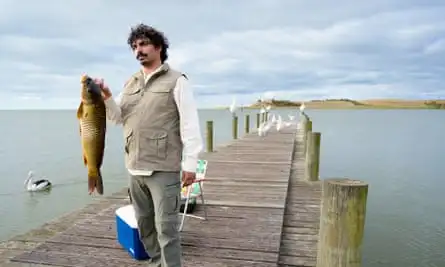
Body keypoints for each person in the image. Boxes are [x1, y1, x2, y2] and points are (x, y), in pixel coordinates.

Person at [92, 23, 203, 267]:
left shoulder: (177, 80)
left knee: (167, 230)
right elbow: (117, 116)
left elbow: (190, 125)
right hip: (134, 167)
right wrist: (107, 96)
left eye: (143, 44)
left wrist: (191, 164)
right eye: (134, 46)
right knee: (144, 226)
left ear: (159, 47)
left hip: (164, 169)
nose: (137, 51)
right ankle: (156, 263)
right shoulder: (131, 82)